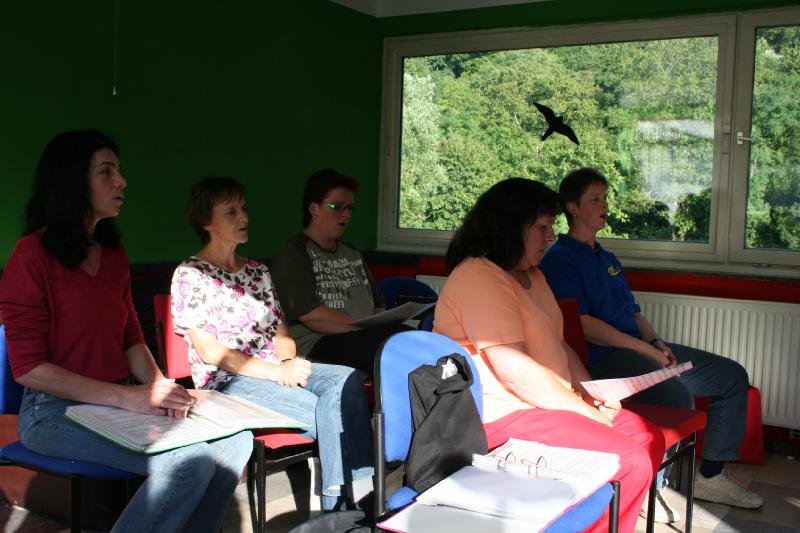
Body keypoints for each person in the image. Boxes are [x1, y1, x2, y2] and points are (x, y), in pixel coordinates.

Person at [0, 130, 253, 533]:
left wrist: (161, 387)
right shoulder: (31, 256)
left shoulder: (114, 254)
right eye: (106, 171)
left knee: (236, 443)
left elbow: (130, 334)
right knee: (184, 464)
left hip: (118, 404)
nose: (122, 181)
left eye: (118, 170)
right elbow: (28, 369)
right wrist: (128, 397)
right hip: (51, 412)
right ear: (71, 181)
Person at [433, 177, 667, 533]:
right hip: (503, 417)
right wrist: (585, 412)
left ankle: (596, 520)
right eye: (543, 227)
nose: (552, 237)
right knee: (630, 461)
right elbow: (516, 374)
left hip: (544, 406)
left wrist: (590, 393)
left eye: (553, 226)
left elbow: (561, 346)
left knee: (649, 437)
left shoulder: (533, 276)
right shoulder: (479, 277)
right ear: (509, 227)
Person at [539, 167, 762, 520]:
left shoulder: (608, 258)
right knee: (676, 395)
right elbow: (582, 325)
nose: (604, 205)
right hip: (605, 358)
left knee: (730, 376)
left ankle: (711, 477)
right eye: (595, 199)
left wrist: (656, 342)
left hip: (637, 347)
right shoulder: (560, 258)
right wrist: (645, 350)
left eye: (605, 198)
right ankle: (653, 487)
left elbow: (633, 311)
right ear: (572, 208)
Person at [170, 176, 374, 511]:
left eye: (244, 209)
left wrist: (288, 363)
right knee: (333, 410)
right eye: (231, 212)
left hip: (275, 373)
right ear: (206, 222)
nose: (244, 217)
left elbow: (281, 333)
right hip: (227, 384)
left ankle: (347, 505)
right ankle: (345, 507)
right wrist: (276, 373)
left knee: (346, 380)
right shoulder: (191, 274)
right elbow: (211, 352)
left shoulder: (257, 271)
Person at [270, 169, 409, 377]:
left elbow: (378, 303)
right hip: (317, 342)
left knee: (410, 338)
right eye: (337, 206)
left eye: (350, 208)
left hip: (362, 335)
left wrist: (379, 323)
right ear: (314, 209)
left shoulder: (351, 252)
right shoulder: (294, 252)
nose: (346, 214)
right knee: (390, 350)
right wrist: (363, 327)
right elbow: (309, 314)